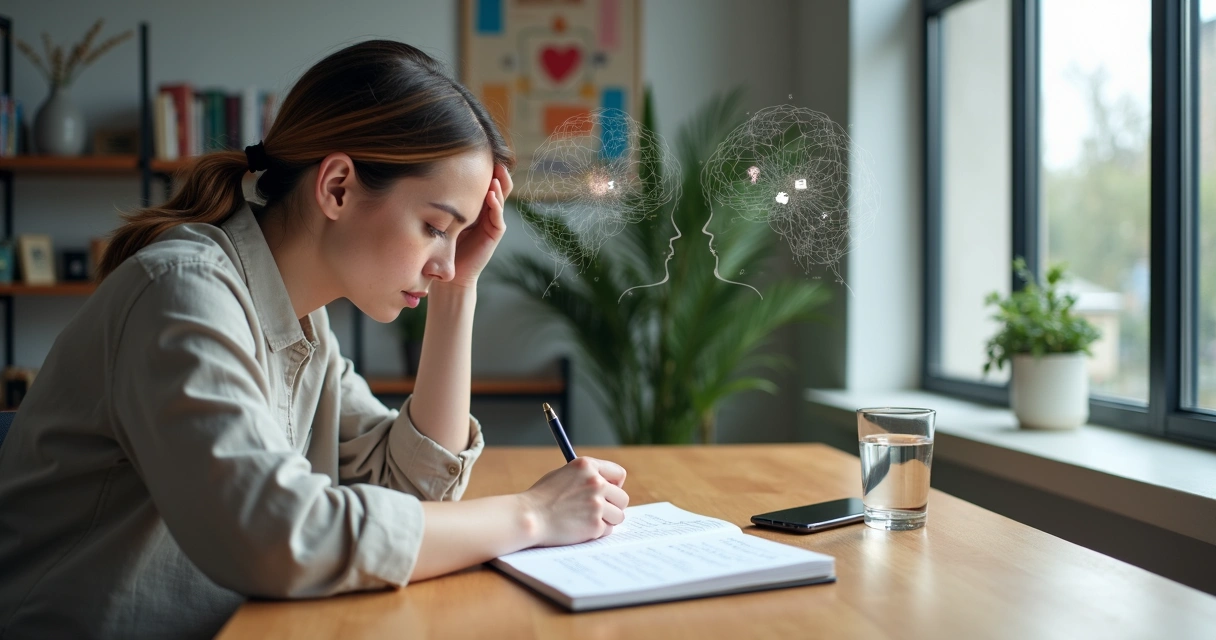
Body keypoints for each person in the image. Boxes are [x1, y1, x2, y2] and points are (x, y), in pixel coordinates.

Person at [0, 40, 628, 640]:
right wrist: (534, 516)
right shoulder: (182, 296)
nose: (445, 260)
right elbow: (279, 538)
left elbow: (405, 487)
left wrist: (457, 292)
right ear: (337, 187)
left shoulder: (304, 324)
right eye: (436, 226)